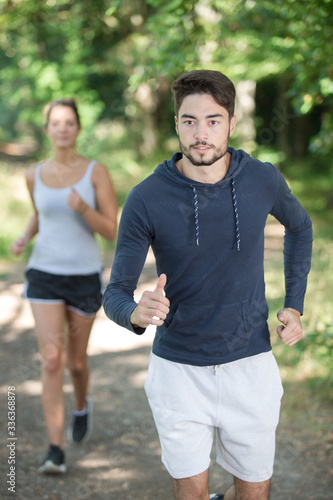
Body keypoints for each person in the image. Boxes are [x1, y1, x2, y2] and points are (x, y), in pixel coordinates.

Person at [102, 70, 312, 500]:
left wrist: (295, 304)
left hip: (250, 366)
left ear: (232, 124)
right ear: (175, 124)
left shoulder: (262, 179)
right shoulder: (146, 197)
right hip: (178, 372)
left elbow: (301, 227)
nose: (201, 134)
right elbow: (115, 294)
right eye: (189, 121)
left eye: (213, 121)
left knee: (254, 493)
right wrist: (134, 313)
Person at [10, 98, 118, 474]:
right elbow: (41, 213)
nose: (62, 128)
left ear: (77, 128)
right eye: (55, 123)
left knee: (75, 361)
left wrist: (83, 209)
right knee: (53, 359)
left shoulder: (95, 172)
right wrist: (25, 236)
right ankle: (54, 449)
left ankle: (81, 404)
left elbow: (111, 230)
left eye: (69, 122)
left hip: (84, 276)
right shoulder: (33, 174)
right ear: (47, 129)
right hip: (43, 273)